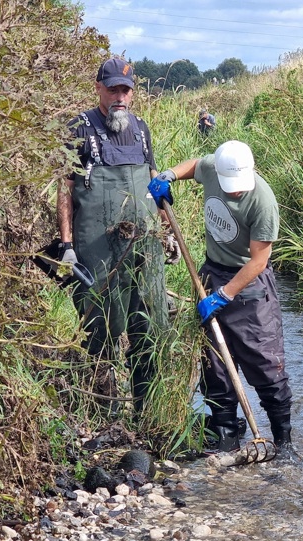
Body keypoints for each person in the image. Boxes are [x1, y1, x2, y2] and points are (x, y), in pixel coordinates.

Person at [149, 140, 297, 459]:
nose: (234, 192)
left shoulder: (263, 201)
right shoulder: (213, 169)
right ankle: (226, 439)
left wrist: (224, 295)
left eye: (238, 187)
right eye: (230, 186)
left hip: (251, 286)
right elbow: (192, 166)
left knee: (266, 363)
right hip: (213, 273)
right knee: (214, 364)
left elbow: (258, 261)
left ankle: (284, 443)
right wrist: (168, 176)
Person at [57, 58, 178, 414]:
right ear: (99, 89)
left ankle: (148, 406)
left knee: (149, 321)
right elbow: (64, 190)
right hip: (95, 248)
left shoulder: (142, 130)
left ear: (133, 93)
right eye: (112, 89)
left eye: (125, 90)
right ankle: (101, 410)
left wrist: (165, 231)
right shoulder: (78, 128)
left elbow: (154, 182)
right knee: (99, 324)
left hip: (143, 245)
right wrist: (66, 246)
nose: (119, 97)